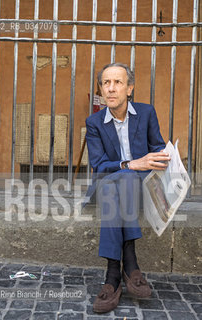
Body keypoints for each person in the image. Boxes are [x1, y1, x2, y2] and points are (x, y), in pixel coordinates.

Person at [85, 62, 170, 313]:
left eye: (117, 82)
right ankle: (129, 262)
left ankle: (112, 274)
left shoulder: (146, 113)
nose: (110, 89)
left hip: (139, 188)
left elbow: (157, 147)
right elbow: (99, 166)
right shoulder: (94, 122)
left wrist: (163, 157)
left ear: (130, 88)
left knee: (127, 180)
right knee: (121, 179)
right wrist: (132, 164)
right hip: (109, 184)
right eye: (105, 83)